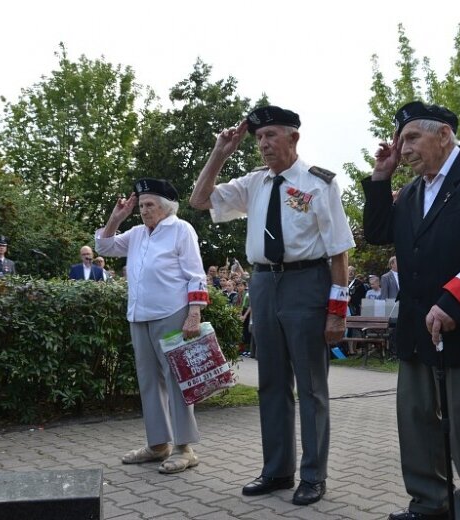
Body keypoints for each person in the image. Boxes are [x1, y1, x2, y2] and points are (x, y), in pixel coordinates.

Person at [190, 105, 355, 506]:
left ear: (293, 138)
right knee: (272, 383)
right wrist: (219, 154)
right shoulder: (255, 184)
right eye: (259, 138)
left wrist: (337, 312)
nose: (263, 144)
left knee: (311, 386)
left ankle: (313, 475)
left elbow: (339, 253)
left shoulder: (319, 183)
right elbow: (199, 200)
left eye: (271, 136)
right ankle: (277, 470)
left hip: (307, 282)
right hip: (264, 283)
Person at [362, 100, 460, 520]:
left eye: (412, 137)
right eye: (400, 139)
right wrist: (381, 177)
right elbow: (378, 233)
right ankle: (429, 503)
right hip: (417, 329)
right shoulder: (413, 188)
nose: (404, 147)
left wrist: (453, 304)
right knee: (416, 424)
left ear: (444, 134)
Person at [95, 177, 210, 474]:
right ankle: (158, 444)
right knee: (148, 382)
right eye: (142, 205)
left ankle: (185, 448)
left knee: (176, 380)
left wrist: (194, 313)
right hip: (139, 315)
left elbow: (195, 274)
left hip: (172, 312)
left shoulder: (181, 229)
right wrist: (116, 217)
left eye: (150, 205)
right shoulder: (135, 233)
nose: (144, 210)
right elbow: (104, 247)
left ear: (166, 207)